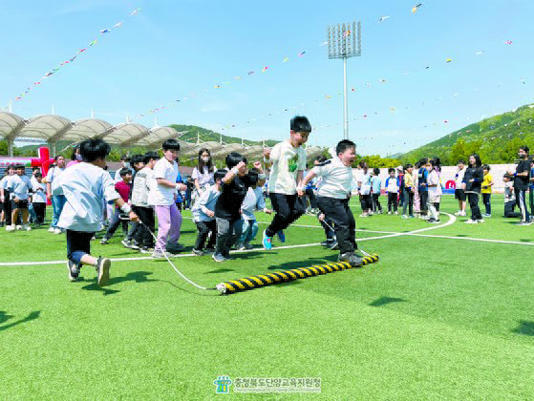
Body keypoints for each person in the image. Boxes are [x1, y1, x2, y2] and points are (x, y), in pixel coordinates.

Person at [52, 138, 138, 285]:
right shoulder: (103, 174)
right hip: (92, 219)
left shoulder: (71, 170)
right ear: (99, 158)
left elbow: (55, 189)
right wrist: (129, 210)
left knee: (73, 252)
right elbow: (112, 195)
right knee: (83, 250)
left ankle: (98, 263)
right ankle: (74, 270)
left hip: (74, 217)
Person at [298, 140, 362, 266]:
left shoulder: (347, 166)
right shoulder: (332, 164)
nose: (354, 156)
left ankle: (346, 245)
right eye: (351, 153)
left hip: (341, 199)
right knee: (342, 222)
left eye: (355, 153)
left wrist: (347, 192)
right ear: (340, 155)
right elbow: (313, 171)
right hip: (327, 198)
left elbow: (341, 181)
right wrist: (302, 185)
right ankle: (345, 253)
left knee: (350, 221)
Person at [262, 116, 310, 250]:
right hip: (277, 188)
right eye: (302, 136)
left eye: (307, 136)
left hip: (292, 188)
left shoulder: (302, 152)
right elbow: (269, 163)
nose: (304, 139)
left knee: (300, 209)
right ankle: (268, 233)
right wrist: (266, 157)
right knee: (284, 214)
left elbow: (300, 171)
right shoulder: (280, 147)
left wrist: (300, 186)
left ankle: (279, 227)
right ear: (292, 133)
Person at [213, 153, 264, 262]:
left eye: (245, 165)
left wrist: (260, 170)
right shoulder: (229, 176)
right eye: (243, 166)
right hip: (223, 211)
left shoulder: (246, 178)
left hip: (236, 211)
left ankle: (225, 251)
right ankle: (217, 253)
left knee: (238, 232)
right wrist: (236, 169)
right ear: (235, 167)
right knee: (224, 232)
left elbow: (261, 184)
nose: (245, 168)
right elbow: (225, 181)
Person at [148, 139, 187, 258]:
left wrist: (175, 191)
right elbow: (160, 180)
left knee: (177, 219)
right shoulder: (161, 164)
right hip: (160, 198)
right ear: (164, 151)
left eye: (176, 152)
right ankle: (159, 250)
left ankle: (172, 243)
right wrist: (177, 186)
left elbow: (172, 180)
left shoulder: (174, 164)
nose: (174, 154)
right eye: (172, 151)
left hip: (169, 198)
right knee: (165, 225)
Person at [191, 170, 227, 256]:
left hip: (211, 215)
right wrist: (207, 211)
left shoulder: (223, 191)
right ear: (218, 180)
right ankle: (197, 248)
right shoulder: (210, 191)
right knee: (204, 230)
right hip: (199, 214)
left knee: (217, 229)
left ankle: (210, 246)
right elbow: (200, 204)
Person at [236, 167, 272, 250]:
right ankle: (239, 242)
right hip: (242, 211)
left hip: (250, 212)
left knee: (255, 227)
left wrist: (265, 209)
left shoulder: (259, 190)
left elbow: (260, 203)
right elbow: (238, 198)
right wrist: (238, 208)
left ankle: (246, 242)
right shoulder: (245, 187)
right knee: (246, 226)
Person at [129, 152, 158, 254]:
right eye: (156, 161)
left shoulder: (139, 172)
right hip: (145, 202)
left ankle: (137, 242)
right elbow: (152, 187)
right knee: (149, 224)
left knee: (141, 224)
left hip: (136, 201)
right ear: (151, 160)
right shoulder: (150, 172)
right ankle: (147, 245)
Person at [100, 168, 133, 244]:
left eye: (131, 174)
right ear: (122, 176)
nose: (130, 176)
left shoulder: (132, 185)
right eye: (128, 174)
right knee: (114, 223)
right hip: (119, 208)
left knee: (126, 224)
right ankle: (105, 238)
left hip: (129, 208)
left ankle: (127, 238)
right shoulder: (118, 185)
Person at [122, 154, 146, 249]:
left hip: (138, 200)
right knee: (138, 221)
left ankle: (136, 240)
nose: (144, 164)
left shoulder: (138, 173)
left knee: (140, 221)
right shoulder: (138, 174)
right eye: (142, 162)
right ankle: (129, 239)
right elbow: (134, 189)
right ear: (136, 164)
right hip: (137, 201)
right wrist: (130, 200)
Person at [4, 165, 33, 231]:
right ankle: (13, 224)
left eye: (22, 169)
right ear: (16, 170)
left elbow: (30, 188)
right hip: (15, 196)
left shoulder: (26, 178)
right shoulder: (13, 178)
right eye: (19, 169)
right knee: (15, 210)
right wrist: (14, 197)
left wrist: (30, 196)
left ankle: (25, 224)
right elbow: (10, 188)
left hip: (24, 196)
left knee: (25, 210)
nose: (20, 171)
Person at [509, 146, 531, 225]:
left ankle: (526, 220)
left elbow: (525, 174)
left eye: (522, 152)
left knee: (521, 202)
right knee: (519, 202)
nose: (520, 153)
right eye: (519, 151)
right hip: (517, 185)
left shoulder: (526, 162)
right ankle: (526, 217)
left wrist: (515, 173)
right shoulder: (521, 162)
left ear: (526, 153)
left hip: (522, 185)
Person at [46, 155, 67, 234]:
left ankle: (62, 226)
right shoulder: (53, 170)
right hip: (55, 193)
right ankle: (55, 225)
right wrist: (49, 193)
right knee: (57, 210)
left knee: (64, 210)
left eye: (63, 159)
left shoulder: (67, 170)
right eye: (60, 159)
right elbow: (48, 182)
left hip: (65, 193)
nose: (62, 161)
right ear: (56, 161)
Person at [463, 153, 484, 224]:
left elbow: (481, 179)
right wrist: (463, 183)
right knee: (472, 203)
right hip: (468, 188)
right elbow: (465, 177)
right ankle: (480, 218)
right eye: (470, 158)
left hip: (475, 188)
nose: (471, 160)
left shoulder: (479, 169)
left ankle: (473, 218)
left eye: (472, 158)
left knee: (474, 203)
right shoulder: (468, 169)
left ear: (476, 159)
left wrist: (474, 180)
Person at [426, 159, 442, 223]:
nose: (427, 167)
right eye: (426, 165)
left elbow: (434, 184)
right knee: (431, 204)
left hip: (434, 191)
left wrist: (427, 185)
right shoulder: (430, 173)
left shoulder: (433, 173)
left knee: (430, 204)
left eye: (429, 165)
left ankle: (436, 218)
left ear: (432, 166)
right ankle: (433, 217)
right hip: (433, 191)